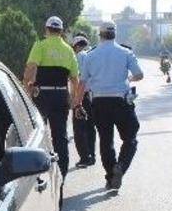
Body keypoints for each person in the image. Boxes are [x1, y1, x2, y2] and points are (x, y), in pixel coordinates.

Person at [76, 21, 144, 191]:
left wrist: (76, 104)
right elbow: (139, 74)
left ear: (100, 35)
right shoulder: (125, 53)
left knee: (106, 141)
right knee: (130, 138)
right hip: (121, 102)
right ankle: (120, 166)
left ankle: (110, 177)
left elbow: (82, 82)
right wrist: (128, 79)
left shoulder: (90, 55)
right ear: (115, 34)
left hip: (99, 103)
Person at [23, 16, 80, 177]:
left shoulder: (40, 45)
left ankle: (38, 173)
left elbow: (30, 68)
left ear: (47, 30)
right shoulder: (68, 50)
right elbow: (75, 79)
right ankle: (62, 173)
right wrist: (75, 100)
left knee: (38, 133)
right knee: (60, 136)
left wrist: (26, 88)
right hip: (61, 95)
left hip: (42, 95)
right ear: (61, 31)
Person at [71, 33, 96, 168]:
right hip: (93, 96)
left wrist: (75, 100)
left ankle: (84, 158)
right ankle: (92, 155)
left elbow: (79, 80)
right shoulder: (92, 55)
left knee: (79, 128)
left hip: (82, 95)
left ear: (76, 46)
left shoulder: (79, 57)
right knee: (90, 127)